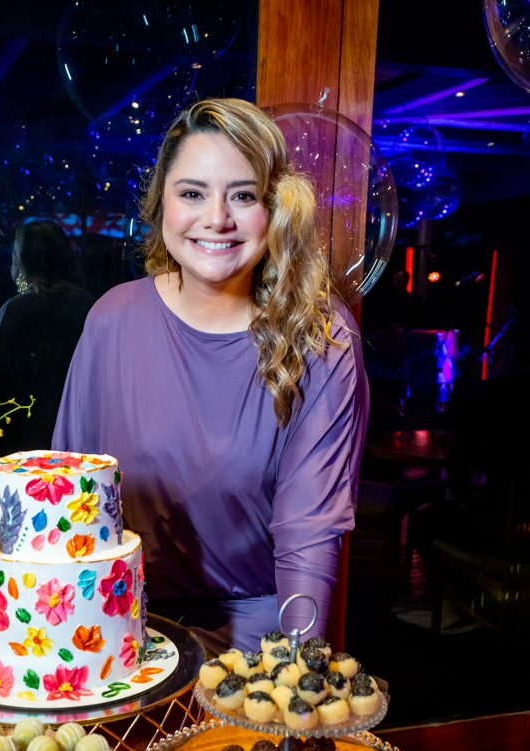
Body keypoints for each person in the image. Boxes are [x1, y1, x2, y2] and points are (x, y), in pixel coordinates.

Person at [53, 98, 370, 652]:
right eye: (192, 193)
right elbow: (64, 496)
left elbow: (309, 532)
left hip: (254, 647)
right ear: (162, 204)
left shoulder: (322, 336)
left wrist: (298, 669)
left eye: (243, 195)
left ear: (275, 209)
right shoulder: (112, 319)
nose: (217, 218)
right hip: (113, 633)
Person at [0, 220, 92, 453]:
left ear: (21, 258)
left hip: (23, 429)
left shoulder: (16, 307)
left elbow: (0, 379)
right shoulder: (88, 304)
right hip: (76, 427)